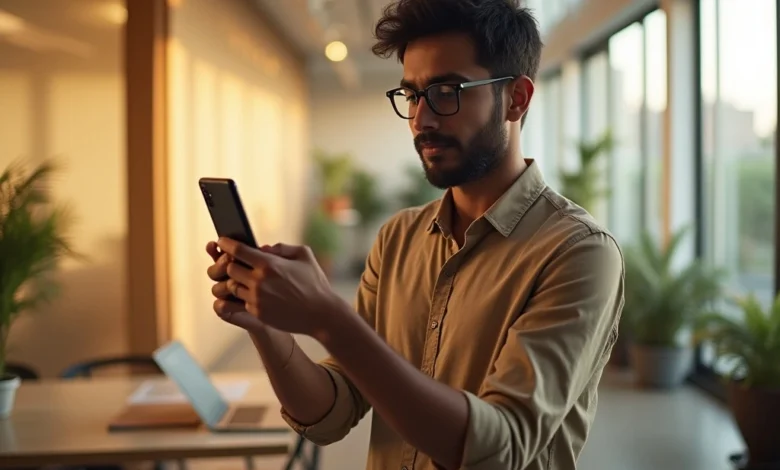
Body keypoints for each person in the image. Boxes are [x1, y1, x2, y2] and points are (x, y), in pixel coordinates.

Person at [205, 1, 624, 469]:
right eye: (412, 95)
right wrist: (266, 327)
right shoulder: (399, 238)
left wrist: (328, 319)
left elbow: (500, 449)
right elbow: (330, 414)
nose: (422, 119)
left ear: (517, 99)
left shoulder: (577, 252)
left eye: (447, 91)